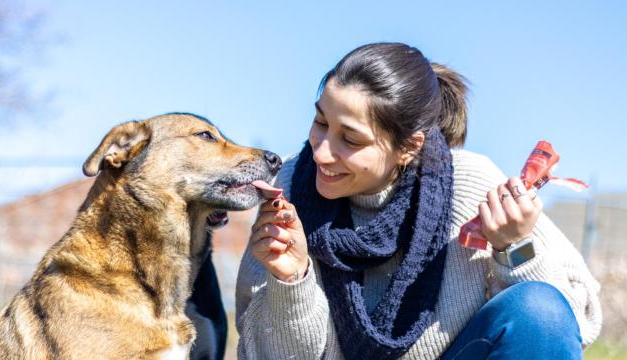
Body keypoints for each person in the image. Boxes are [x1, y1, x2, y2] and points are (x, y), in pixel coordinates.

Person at [235, 42, 601, 359]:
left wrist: (515, 247)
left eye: (351, 139)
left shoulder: (471, 184)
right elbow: (267, 353)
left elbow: (569, 321)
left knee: (539, 310)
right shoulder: (290, 187)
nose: (322, 153)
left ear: (408, 148)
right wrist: (292, 280)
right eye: (320, 122)